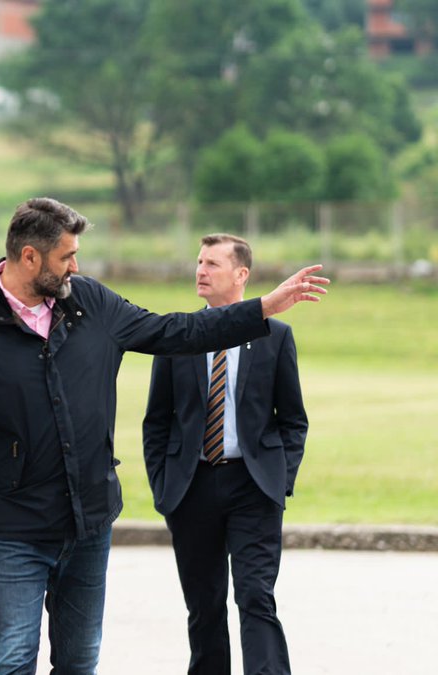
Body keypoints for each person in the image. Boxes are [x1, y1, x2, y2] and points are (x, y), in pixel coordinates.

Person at [0, 198, 327, 674]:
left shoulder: (90, 302)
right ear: (29, 257)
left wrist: (261, 309)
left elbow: (178, 332)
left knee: (79, 663)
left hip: (89, 523)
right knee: (13, 660)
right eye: (66, 256)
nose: (76, 265)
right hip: (15, 527)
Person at [143, 234, 307, 674]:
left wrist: (279, 478)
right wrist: (164, 486)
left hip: (253, 486)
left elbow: (293, 419)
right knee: (204, 604)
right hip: (192, 486)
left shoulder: (275, 336)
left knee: (255, 596)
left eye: (212, 263)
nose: (200, 270)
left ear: (241, 275)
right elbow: (156, 420)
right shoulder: (179, 335)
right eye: (199, 261)